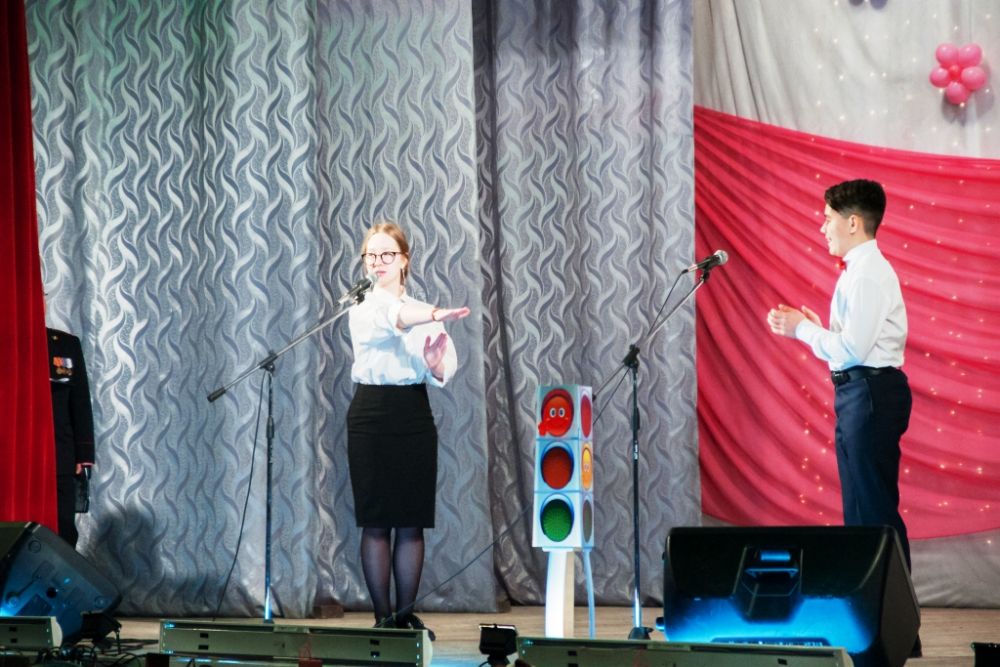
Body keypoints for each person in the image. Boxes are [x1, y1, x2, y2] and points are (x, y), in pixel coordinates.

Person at [765, 179, 913, 567]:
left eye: (827, 218)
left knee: (872, 509)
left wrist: (802, 329)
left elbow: (854, 350)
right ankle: (878, 601)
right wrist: (818, 331)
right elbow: (851, 346)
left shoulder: (866, 274)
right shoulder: (858, 271)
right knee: (863, 508)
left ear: (852, 223)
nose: (822, 227)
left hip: (871, 394)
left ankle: (890, 602)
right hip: (862, 393)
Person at [346, 221, 470, 640]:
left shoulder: (422, 310)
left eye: (387, 254)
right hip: (370, 414)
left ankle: (404, 617)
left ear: (404, 260)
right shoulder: (363, 306)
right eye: (371, 255)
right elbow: (393, 318)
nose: (377, 262)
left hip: (413, 414)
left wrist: (435, 364)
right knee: (377, 522)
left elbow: (445, 368)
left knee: (411, 522)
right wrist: (434, 314)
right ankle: (383, 619)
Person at [47, 327, 95, 548]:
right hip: (13, 457)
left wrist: (84, 453)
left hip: (60, 453)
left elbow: (80, 400)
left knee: (63, 529)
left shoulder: (65, 343)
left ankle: (59, 570)